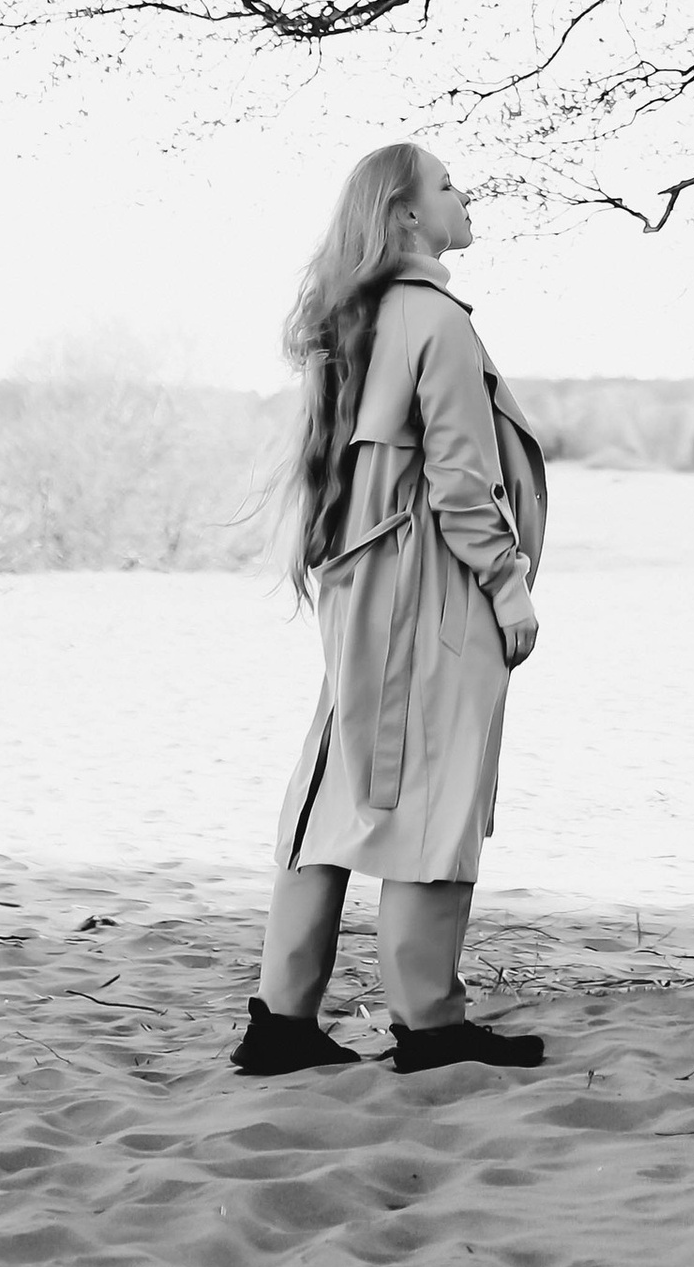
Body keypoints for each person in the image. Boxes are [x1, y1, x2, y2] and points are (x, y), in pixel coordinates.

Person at [233, 139, 550, 1078]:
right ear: (408, 213)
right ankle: (430, 1025)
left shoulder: (358, 316)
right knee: (436, 796)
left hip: (365, 587)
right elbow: (461, 481)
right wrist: (508, 589)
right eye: (446, 185)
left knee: (336, 786)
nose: (464, 194)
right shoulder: (433, 320)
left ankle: (282, 1021)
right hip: (431, 587)